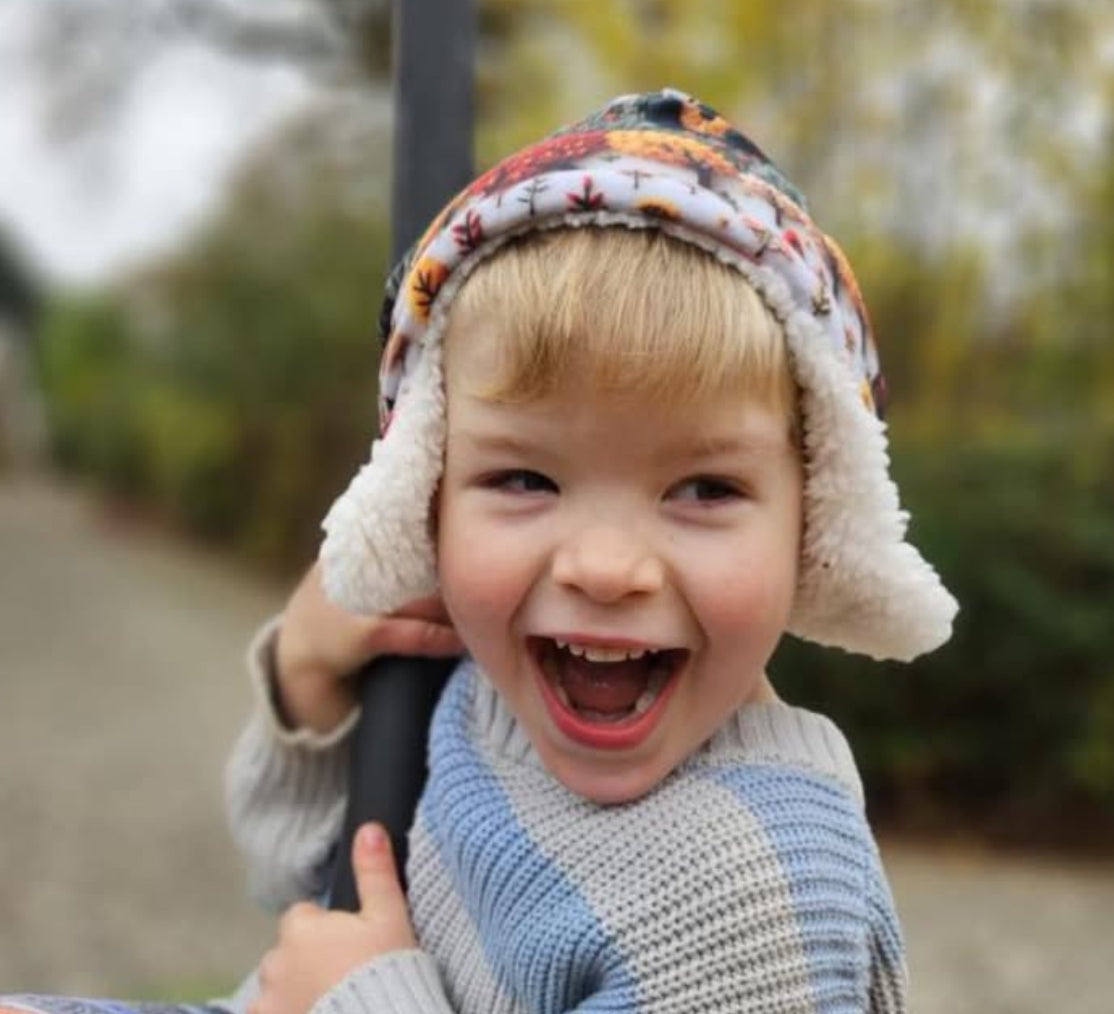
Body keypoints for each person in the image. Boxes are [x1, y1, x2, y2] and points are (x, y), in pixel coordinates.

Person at [1, 88, 957, 1014]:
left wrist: (358, 999)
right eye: (525, 481)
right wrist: (308, 681)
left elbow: (337, 970)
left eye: (704, 490)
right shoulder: (487, 686)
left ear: (816, 528)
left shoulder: (756, 903)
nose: (603, 566)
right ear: (425, 491)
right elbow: (306, 880)